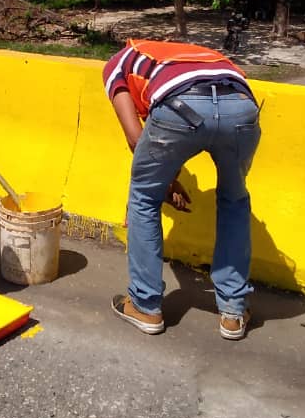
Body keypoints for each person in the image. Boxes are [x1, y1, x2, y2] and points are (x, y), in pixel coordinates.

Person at [103, 38, 261, 340]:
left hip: (180, 103)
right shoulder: (182, 55)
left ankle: (144, 306)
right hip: (240, 106)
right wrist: (170, 179)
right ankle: (234, 312)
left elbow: (138, 141)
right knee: (234, 201)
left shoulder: (118, 64)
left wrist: (162, 184)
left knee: (143, 198)